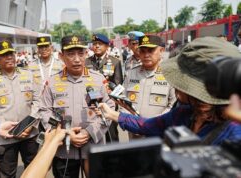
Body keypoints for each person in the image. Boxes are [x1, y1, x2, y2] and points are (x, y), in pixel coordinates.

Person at [98, 37, 241, 145]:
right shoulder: (184, 114)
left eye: (180, 77)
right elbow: (147, 125)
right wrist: (113, 114)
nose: (175, 84)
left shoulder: (235, 131)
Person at [40, 35, 115, 178]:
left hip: (94, 145)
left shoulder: (99, 80)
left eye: (81, 53)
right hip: (63, 149)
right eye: (70, 54)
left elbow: (109, 110)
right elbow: (45, 111)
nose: (76, 59)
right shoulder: (52, 82)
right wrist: (65, 133)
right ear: (61, 56)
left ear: (87, 54)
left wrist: (89, 132)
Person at [0, 41, 41, 178]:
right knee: (7, 173)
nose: (9, 57)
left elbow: (38, 101)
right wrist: (14, 131)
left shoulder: (28, 75)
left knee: (34, 170)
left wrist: (27, 126)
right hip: (5, 138)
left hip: (30, 133)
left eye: (11, 53)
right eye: (4, 55)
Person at [122, 35, 176, 139]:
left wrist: (151, 124)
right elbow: (122, 101)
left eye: (151, 50)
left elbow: (173, 106)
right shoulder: (131, 73)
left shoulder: (170, 74)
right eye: (142, 51)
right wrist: (131, 122)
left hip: (159, 133)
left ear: (161, 50)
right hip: (134, 133)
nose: (146, 55)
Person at [85, 33, 123, 142]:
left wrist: (112, 104)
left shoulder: (115, 62)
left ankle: (115, 158)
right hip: (91, 106)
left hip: (108, 105)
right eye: (95, 43)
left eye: (100, 44)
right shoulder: (86, 62)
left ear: (107, 46)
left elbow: (118, 85)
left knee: (111, 135)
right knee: (94, 135)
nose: (96, 46)